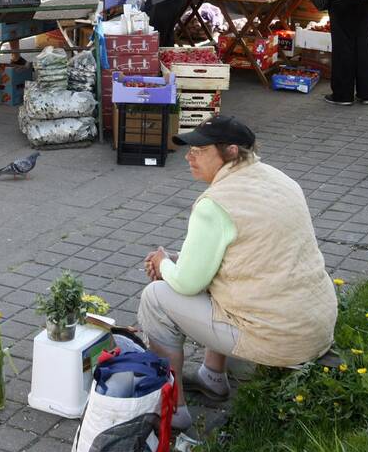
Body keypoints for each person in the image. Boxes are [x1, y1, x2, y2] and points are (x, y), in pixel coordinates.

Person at [137, 115, 337, 432]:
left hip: (278, 338)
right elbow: (247, 254)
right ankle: (212, 378)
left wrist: (163, 264)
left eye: (200, 150)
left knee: (156, 299)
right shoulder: (280, 180)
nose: (189, 156)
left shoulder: (214, 204)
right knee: (215, 276)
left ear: (230, 152)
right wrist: (175, 261)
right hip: (314, 323)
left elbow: (188, 283)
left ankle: (172, 411)